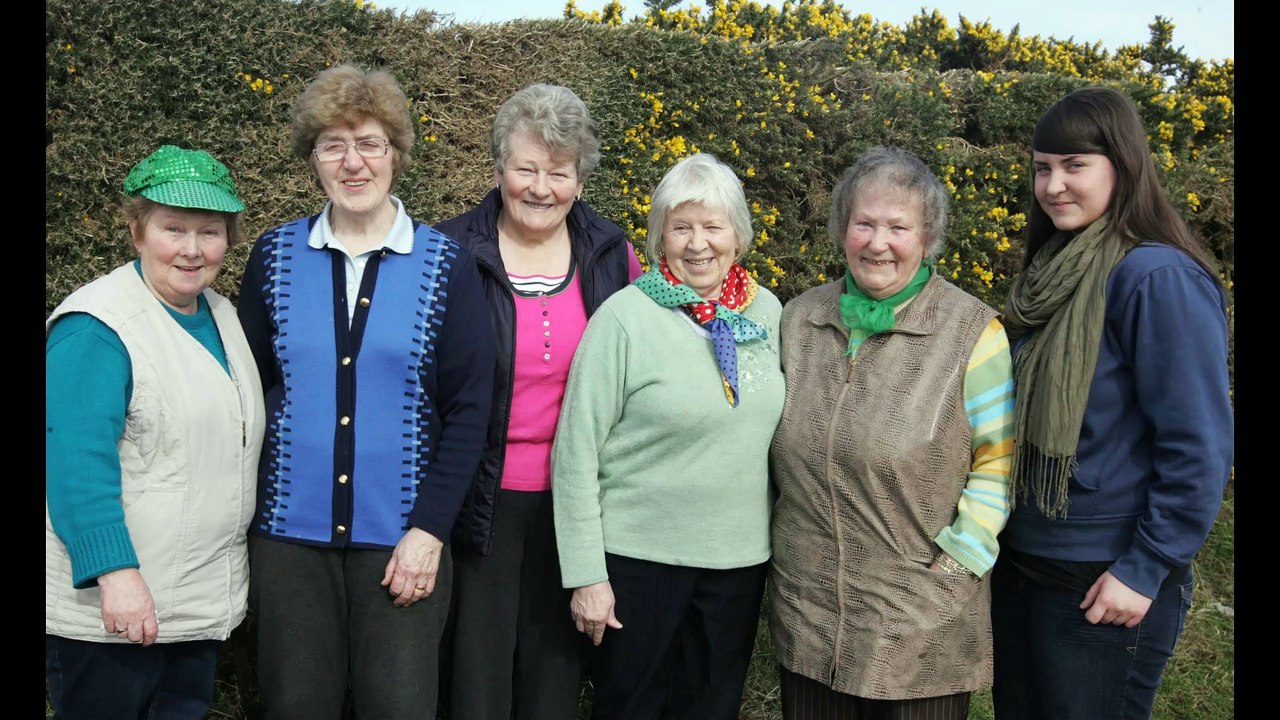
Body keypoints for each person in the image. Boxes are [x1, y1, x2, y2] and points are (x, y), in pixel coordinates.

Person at [236, 63, 496, 719]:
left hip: (401, 538)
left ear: (396, 154)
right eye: (334, 144)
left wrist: (429, 530)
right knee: (295, 706)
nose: (354, 162)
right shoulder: (273, 257)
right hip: (288, 541)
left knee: (401, 708)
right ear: (314, 158)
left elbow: (470, 411)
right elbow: (244, 393)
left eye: (370, 142)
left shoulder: (446, 265)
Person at [991, 86, 1233, 719]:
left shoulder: (1155, 277)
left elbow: (1198, 444)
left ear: (1122, 168)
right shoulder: (1050, 273)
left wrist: (1146, 567)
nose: (1053, 185)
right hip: (1026, 559)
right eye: (1043, 167)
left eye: (1076, 166)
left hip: (1104, 574)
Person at [768, 145, 1015, 719]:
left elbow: (997, 470)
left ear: (927, 239)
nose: (878, 242)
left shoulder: (973, 333)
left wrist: (947, 578)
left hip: (920, 624)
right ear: (842, 231)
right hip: (808, 616)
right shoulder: (801, 320)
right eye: (864, 223)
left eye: (898, 227)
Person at [433, 82, 643, 720]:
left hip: (578, 508)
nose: (540, 187)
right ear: (498, 169)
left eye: (559, 172)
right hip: (480, 502)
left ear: (580, 177)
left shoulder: (612, 253)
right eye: (526, 169)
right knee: (476, 683)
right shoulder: (447, 252)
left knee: (554, 685)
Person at [551, 152, 784, 719]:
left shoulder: (768, 313)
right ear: (660, 238)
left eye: (713, 226)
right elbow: (575, 452)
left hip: (736, 561)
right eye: (682, 227)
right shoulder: (624, 319)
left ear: (738, 236)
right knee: (631, 707)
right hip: (638, 561)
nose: (698, 243)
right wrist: (586, 576)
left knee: (711, 707)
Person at [45, 145, 265, 718]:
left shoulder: (222, 315)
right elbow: (74, 461)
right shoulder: (97, 327)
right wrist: (116, 575)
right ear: (137, 231)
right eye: (173, 228)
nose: (192, 250)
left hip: (194, 605)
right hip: (114, 612)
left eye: (209, 231)